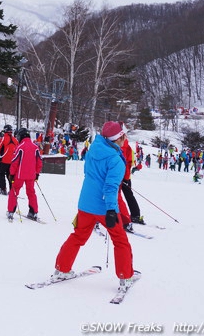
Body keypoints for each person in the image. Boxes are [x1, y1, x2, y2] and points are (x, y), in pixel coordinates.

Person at [53, 121, 137, 293]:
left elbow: (90, 174)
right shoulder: (116, 159)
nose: (125, 139)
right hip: (104, 207)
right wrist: (112, 210)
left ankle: (62, 269)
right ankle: (125, 276)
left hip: (85, 204)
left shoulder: (93, 149)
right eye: (123, 136)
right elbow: (110, 187)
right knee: (120, 241)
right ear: (118, 138)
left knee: (78, 236)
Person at [7, 128, 43, 220]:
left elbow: (14, 162)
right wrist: (37, 173)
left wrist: (11, 174)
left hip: (20, 175)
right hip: (31, 175)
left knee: (14, 191)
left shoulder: (20, 147)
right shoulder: (35, 147)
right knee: (31, 192)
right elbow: (39, 161)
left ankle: (11, 211)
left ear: (21, 136)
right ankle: (33, 212)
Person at [120, 133, 144, 226]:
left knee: (115, 197)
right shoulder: (128, 147)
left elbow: (126, 164)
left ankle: (125, 218)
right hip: (126, 176)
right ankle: (135, 215)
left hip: (122, 177)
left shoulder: (123, 148)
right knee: (129, 196)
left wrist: (124, 178)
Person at [0, 124, 18, 195]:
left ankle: (3, 189)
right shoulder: (15, 139)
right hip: (12, 161)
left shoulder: (3, 138)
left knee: (1, 174)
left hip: (4, 160)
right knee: (10, 175)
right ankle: (12, 189)